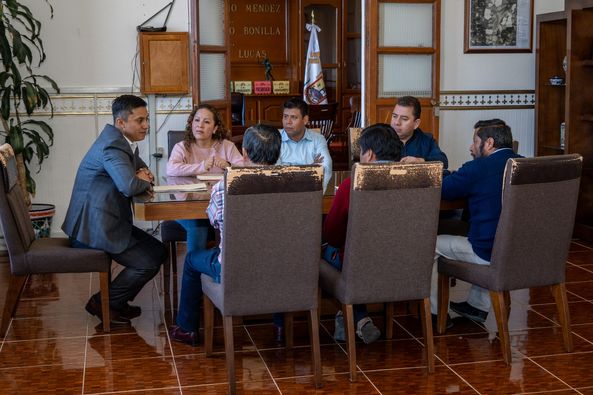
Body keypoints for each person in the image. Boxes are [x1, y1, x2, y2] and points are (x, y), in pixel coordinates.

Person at [168, 123, 282, 346]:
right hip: (278, 263)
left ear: (245, 153)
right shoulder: (293, 182)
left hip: (235, 265)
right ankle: (280, 326)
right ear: (278, 153)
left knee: (192, 260)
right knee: (273, 251)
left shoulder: (225, 185)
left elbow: (215, 222)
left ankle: (187, 328)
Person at [62, 95, 167, 325]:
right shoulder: (113, 145)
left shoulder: (119, 140)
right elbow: (128, 185)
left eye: (147, 119)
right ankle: (104, 303)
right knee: (148, 261)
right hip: (93, 230)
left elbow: (137, 170)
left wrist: (143, 172)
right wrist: (144, 181)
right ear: (121, 123)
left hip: (104, 222)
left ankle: (115, 302)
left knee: (158, 251)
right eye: (140, 120)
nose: (146, 125)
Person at [430, 119, 521, 325]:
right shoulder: (525, 165)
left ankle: (434, 315)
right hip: (520, 251)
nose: (471, 147)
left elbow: (443, 189)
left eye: (474, 141)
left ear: (488, 143)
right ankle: (477, 306)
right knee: (488, 231)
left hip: (486, 252)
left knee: (430, 244)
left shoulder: (477, 168)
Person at [323, 123, 403, 344]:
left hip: (359, 263)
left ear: (369, 154)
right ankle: (358, 320)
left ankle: (352, 317)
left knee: (330, 250)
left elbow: (333, 235)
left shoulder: (352, 184)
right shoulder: (415, 181)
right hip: (402, 263)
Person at [167, 104, 244, 253]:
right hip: (187, 207)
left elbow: (243, 170)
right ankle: (194, 271)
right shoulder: (182, 146)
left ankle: (223, 270)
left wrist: (228, 166)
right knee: (198, 224)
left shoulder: (226, 146)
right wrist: (201, 166)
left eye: (206, 122)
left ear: (215, 128)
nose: (200, 125)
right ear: (191, 124)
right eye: (197, 120)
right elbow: (171, 169)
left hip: (221, 206)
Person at [277, 97, 332, 191]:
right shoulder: (274, 139)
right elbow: (274, 174)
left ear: (305, 120)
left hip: (310, 195)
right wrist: (310, 170)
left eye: (293, 117)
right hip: (282, 196)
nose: (288, 122)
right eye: (285, 116)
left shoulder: (318, 139)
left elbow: (326, 168)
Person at [390, 96, 448, 169]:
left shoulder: (427, 140)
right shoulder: (381, 137)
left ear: (416, 124)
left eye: (404, 119)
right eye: (394, 116)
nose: (397, 122)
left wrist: (421, 161)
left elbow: (443, 162)